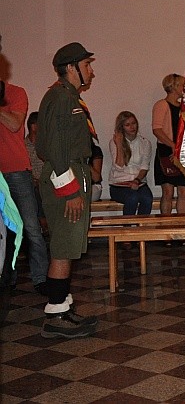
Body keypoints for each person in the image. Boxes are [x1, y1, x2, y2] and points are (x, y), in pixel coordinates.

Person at [37, 42, 99, 338]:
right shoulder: (61, 98)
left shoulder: (66, 97)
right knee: (62, 248)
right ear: (72, 68)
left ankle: (62, 308)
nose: (91, 71)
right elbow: (54, 149)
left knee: (67, 247)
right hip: (68, 177)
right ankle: (55, 315)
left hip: (74, 173)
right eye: (87, 65)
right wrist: (70, 191)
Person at [0, 70, 48, 294]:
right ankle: (6, 275)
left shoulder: (16, 93)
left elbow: (14, 123)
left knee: (31, 226)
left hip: (17, 170)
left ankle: (41, 278)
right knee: (4, 231)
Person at [152, 74, 185, 217]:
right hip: (166, 150)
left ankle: (182, 228)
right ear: (173, 87)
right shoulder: (161, 105)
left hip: (182, 151)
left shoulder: (184, 107)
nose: (184, 88)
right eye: (182, 85)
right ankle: (165, 227)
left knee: (184, 191)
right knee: (168, 192)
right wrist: (173, 145)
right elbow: (157, 129)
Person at [108, 111, 153, 216]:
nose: (132, 127)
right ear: (121, 127)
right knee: (132, 198)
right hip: (119, 184)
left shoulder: (145, 143)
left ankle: (140, 228)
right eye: (127, 125)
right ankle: (127, 229)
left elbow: (144, 167)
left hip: (139, 182)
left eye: (133, 123)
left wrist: (137, 180)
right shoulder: (114, 142)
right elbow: (119, 166)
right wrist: (119, 144)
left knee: (147, 199)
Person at [24, 112, 47, 232]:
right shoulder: (22, 146)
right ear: (34, 127)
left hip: (47, 183)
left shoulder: (45, 145)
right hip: (31, 184)